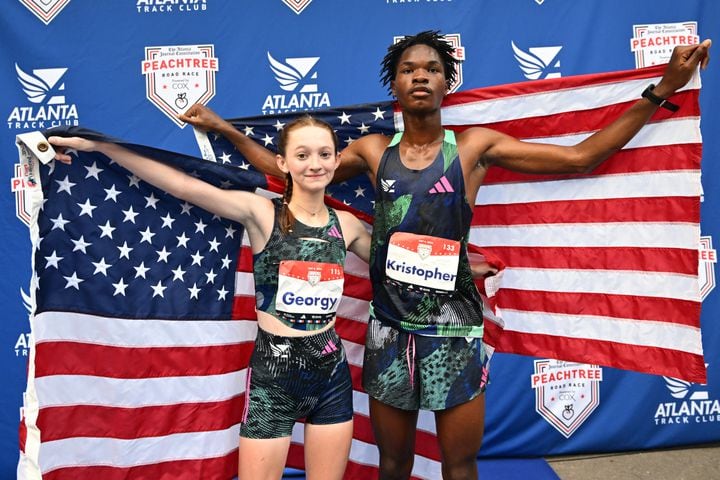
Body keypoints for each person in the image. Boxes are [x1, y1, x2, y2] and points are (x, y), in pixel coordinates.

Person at [178, 31, 711, 480]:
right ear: (394, 83)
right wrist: (224, 129)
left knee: (459, 467)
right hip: (388, 331)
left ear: (445, 82)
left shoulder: (474, 146)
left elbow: (580, 157)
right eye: (408, 69)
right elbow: (286, 170)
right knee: (392, 465)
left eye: (431, 69)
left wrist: (663, 89)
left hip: (455, 333)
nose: (420, 76)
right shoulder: (372, 150)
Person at [48, 115, 372, 480]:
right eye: (302, 155)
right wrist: (101, 146)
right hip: (275, 376)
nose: (314, 164)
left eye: (324, 154)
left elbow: (394, 268)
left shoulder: (347, 225)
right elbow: (185, 187)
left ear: (336, 160)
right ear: (283, 163)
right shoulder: (262, 214)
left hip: (330, 373)